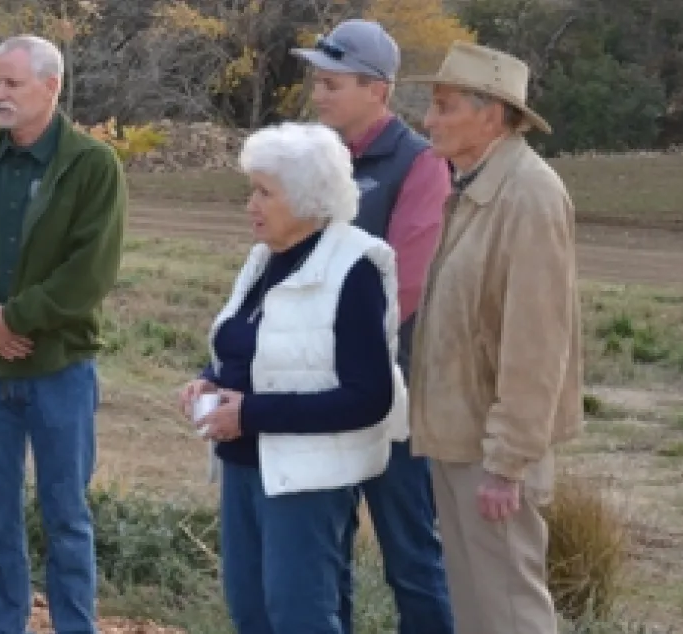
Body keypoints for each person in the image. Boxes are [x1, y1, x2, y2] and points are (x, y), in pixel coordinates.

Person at [0, 35, 125, 634]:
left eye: (12, 83)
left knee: (66, 515)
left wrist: (12, 318)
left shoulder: (92, 165)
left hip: (59, 368)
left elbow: (89, 271)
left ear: (51, 87)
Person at [181, 122, 408, 634]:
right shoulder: (265, 259)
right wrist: (209, 381)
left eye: (265, 192)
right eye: (252, 190)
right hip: (243, 465)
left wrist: (252, 413)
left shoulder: (355, 267)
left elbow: (371, 396)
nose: (251, 205)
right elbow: (247, 348)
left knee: (300, 616)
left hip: (307, 479)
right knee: (250, 611)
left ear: (307, 198)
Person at [404, 42, 582, 634]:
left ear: (492, 115)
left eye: (444, 106)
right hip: (460, 441)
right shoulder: (476, 186)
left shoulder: (529, 193)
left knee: (510, 611)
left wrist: (507, 463)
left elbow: (537, 344)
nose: (428, 120)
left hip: (491, 451)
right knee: (479, 609)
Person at [291, 19, 455, 633]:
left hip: (395, 396)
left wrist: (329, 339)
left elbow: (405, 287)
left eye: (334, 83)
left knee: (411, 555)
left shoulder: (420, 164)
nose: (319, 93)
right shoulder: (313, 160)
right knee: (326, 554)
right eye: (319, 81)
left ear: (378, 91)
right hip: (320, 390)